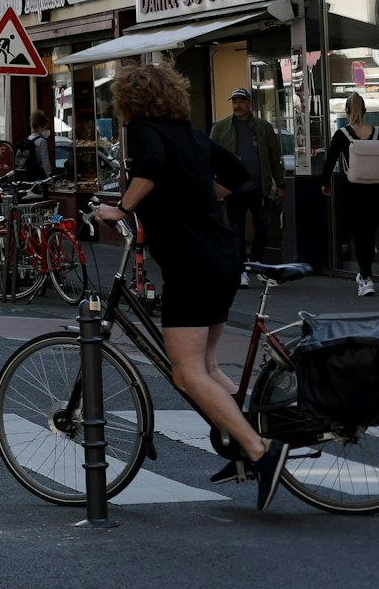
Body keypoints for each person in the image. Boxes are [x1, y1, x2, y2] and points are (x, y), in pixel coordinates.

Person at [92, 64, 289, 509]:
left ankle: (260, 450)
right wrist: (198, 195)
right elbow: (239, 176)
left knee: (186, 373)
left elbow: (152, 168)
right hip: (221, 255)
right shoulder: (192, 134)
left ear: (131, 101)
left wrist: (120, 209)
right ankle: (240, 446)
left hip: (191, 263)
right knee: (206, 365)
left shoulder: (144, 131)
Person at [210, 86, 283, 285]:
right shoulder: (221, 127)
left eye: (241, 101)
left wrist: (281, 184)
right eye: (235, 102)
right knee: (237, 230)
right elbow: (209, 155)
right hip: (232, 188)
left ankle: (256, 263)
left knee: (263, 226)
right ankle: (242, 268)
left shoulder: (262, 127)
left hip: (258, 186)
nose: (237, 105)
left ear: (249, 103)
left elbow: (274, 156)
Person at [324, 92, 379, 297]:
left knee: (360, 236)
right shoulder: (378, 133)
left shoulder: (342, 134)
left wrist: (325, 184)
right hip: (376, 191)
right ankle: (365, 274)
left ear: (347, 111)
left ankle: (366, 279)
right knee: (369, 234)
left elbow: (330, 161)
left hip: (353, 192)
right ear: (365, 111)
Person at [27, 110, 55, 180]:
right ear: (40, 127)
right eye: (45, 128)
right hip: (40, 174)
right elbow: (45, 162)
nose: (46, 131)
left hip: (30, 173)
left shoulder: (29, 138)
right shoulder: (42, 141)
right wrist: (50, 177)